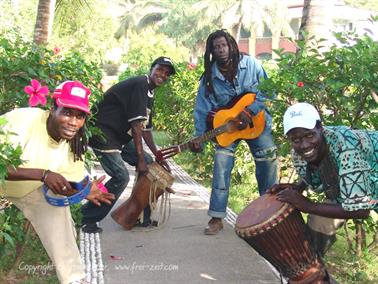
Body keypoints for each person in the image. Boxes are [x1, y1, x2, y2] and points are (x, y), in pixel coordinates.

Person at [0, 80, 115, 284]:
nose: (73, 122)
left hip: (26, 191)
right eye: (67, 113)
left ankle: (73, 279)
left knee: (57, 210)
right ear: (53, 108)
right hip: (7, 179)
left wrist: (80, 191)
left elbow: (70, 182)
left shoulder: (74, 144)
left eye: (80, 116)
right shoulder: (23, 120)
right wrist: (44, 174)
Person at [190, 29, 278, 235]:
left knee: (268, 165)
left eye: (223, 45)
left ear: (231, 45)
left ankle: (269, 215)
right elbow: (202, 108)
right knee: (221, 166)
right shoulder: (209, 78)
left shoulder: (253, 65)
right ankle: (217, 217)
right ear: (211, 51)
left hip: (258, 124)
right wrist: (199, 136)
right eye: (216, 47)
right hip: (227, 130)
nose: (221, 50)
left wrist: (252, 110)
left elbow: (269, 91)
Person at [269, 102, 377, 256]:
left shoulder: (346, 149)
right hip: (357, 189)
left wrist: (307, 205)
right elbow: (316, 173)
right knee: (319, 221)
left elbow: (361, 210)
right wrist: (297, 187)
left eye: (309, 135)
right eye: (296, 140)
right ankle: (310, 269)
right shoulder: (300, 152)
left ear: (320, 128)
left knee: (318, 214)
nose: (304, 145)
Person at [81, 56, 175, 233]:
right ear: (151, 68)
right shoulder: (141, 84)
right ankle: (86, 218)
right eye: (160, 69)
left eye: (167, 73)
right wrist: (139, 158)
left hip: (118, 137)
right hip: (102, 132)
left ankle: (137, 216)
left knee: (149, 164)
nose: (163, 74)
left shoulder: (149, 93)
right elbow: (136, 126)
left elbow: (145, 130)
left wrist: (157, 155)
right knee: (121, 176)